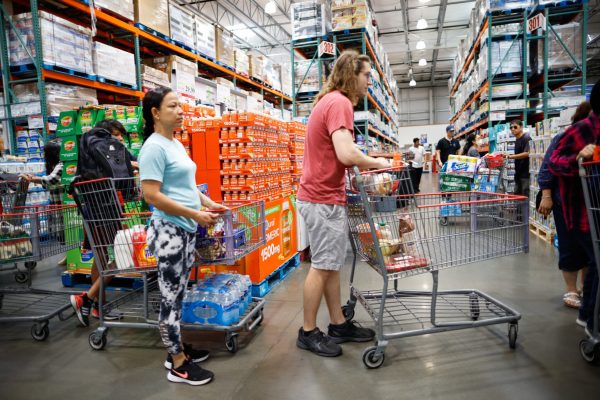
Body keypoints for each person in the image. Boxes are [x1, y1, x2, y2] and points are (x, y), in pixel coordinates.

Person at [296, 50, 390, 358]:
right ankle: (308, 332)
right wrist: (376, 163)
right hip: (321, 199)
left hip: (322, 196)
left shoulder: (330, 101)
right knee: (322, 266)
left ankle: (338, 323)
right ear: (352, 75)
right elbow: (347, 154)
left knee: (330, 265)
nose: (369, 84)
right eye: (366, 76)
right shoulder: (339, 103)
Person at [139, 87, 227, 385]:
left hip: (186, 229)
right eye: (173, 106)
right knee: (169, 298)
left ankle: (176, 349)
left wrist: (208, 203)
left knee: (178, 294)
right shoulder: (153, 147)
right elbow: (151, 195)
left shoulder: (175, 143)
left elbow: (187, 187)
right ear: (155, 112)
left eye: (180, 106)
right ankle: (178, 364)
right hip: (169, 232)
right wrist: (195, 215)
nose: (181, 111)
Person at [69, 120, 137, 324]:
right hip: (101, 206)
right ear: (107, 133)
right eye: (118, 134)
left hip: (103, 205)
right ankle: (92, 303)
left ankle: (95, 303)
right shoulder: (101, 145)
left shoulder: (94, 147)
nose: (120, 139)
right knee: (117, 253)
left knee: (108, 255)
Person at [548, 82, 600, 336]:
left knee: (595, 262)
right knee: (581, 254)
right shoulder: (575, 133)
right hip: (579, 209)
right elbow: (551, 164)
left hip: (590, 210)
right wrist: (546, 194)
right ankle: (588, 314)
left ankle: (588, 312)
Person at [538, 101, 592, 309]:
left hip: (591, 203)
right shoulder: (565, 138)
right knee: (570, 245)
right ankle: (571, 288)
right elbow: (546, 168)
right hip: (566, 202)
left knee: (591, 249)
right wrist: (547, 195)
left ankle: (587, 288)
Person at [20, 142, 66, 265]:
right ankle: (69, 255)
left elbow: (52, 180)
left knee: (68, 231)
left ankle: (72, 256)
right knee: (61, 232)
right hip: (56, 204)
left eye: (45, 152)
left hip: (65, 203)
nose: (43, 154)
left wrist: (32, 179)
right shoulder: (52, 166)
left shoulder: (62, 165)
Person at [506, 120, 530, 197]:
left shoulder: (526, 138)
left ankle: (524, 210)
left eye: (515, 127)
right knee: (517, 196)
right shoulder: (517, 139)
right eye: (511, 128)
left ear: (521, 127)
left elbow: (527, 153)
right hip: (518, 173)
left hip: (525, 174)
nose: (513, 129)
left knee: (525, 196)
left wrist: (511, 156)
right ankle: (519, 210)